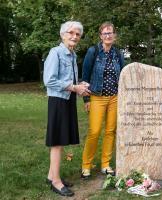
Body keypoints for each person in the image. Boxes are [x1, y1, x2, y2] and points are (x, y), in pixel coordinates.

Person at [43, 21, 90, 196]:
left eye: (78, 34)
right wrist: (74, 87)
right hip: (57, 101)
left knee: (61, 140)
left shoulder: (72, 54)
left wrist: (80, 86)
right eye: (71, 33)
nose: (74, 36)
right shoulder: (55, 53)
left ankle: (51, 176)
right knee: (56, 141)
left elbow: (70, 82)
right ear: (63, 34)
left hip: (68, 100)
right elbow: (49, 80)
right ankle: (56, 182)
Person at [81, 22, 124, 178]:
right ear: (100, 35)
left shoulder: (117, 53)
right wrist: (86, 99)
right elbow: (85, 77)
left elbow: (123, 76)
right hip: (96, 97)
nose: (108, 35)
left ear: (114, 35)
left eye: (110, 33)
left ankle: (105, 164)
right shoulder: (93, 52)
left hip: (114, 98)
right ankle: (86, 165)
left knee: (110, 131)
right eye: (105, 33)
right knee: (94, 131)